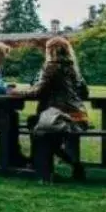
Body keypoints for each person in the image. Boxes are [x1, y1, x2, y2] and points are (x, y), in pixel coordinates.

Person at [19, 37, 91, 178]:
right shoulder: (73, 68)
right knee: (38, 125)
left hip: (59, 117)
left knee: (37, 127)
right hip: (80, 117)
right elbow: (85, 92)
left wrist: (16, 92)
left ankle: (44, 166)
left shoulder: (51, 66)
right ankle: (64, 164)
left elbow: (37, 91)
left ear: (49, 51)